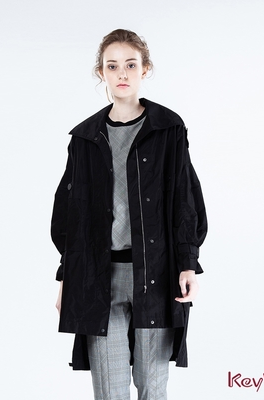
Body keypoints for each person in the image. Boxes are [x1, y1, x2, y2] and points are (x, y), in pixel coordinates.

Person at [51, 28, 207, 400]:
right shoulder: (85, 137)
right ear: (101, 72)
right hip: (98, 277)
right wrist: (66, 277)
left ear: (145, 69)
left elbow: (185, 198)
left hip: (156, 274)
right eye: (112, 65)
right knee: (110, 390)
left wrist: (188, 264)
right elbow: (70, 213)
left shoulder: (168, 128)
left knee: (153, 386)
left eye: (131, 65)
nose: (122, 73)